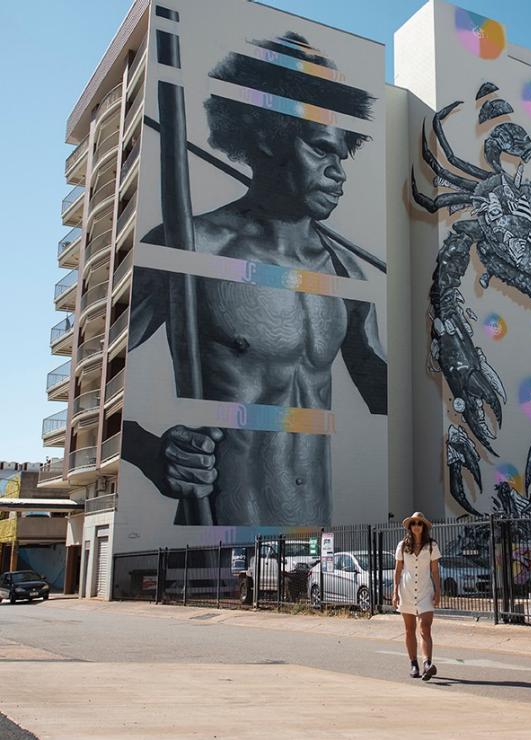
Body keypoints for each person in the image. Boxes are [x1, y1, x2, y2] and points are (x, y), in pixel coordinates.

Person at [121, 33, 387, 526]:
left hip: (314, 541)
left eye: (342, 157)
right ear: (267, 134)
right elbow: (94, 385)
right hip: (217, 544)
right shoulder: (193, 246)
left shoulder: (346, 275)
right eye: (321, 151)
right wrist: (150, 450)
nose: (338, 174)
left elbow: (391, 400)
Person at [392, 511, 442, 680]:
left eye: (419, 523)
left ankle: (427, 663)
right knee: (409, 629)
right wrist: (395, 592)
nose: (416, 526)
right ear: (409, 526)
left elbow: (435, 570)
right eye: (413, 523)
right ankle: (414, 663)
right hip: (406, 590)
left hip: (425, 591)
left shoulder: (432, 545)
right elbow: (398, 570)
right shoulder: (402, 546)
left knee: (425, 627)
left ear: (424, 526)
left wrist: (438, 591)